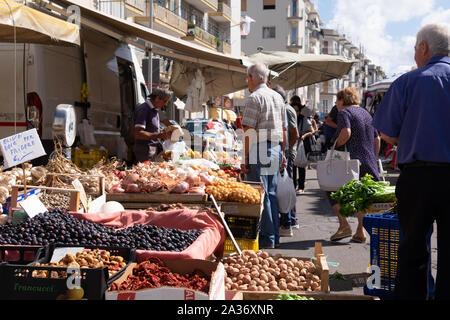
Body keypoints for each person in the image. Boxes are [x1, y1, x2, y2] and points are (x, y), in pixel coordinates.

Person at [373, 24, 450, 300]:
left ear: (423, 48)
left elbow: (388, 135)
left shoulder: (409, 81)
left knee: (413, 250)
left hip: (418, 178)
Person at [241, 63, 287, 249]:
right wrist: (282, 152)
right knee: (271, 194)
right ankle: (274, 236)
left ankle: (267, 238)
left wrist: (245, 158)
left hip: (259, 148)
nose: (247, 81)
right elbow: (283, 129)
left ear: (252, 78)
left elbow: (248, 130)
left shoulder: (254, 98)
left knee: (262, 195)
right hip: (275, 148)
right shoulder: (277, 97)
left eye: (247, 78)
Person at [328, 87, 381, 243]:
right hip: (368, 160)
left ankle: (344, 225)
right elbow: (377, 139)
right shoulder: (366, 113)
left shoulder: (345, 112)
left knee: (331, 189)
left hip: (350, 160)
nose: (336, 104)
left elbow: (346, 132)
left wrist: (335, 145)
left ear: (343, 100)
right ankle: (360, 230)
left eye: (337, 100)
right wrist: (373, 156)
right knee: (363, 196)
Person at [271, 85, 300, 237]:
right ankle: (287, 222)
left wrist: (286, 151)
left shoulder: (284, 109)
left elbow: (294, 133)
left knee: (282, 189)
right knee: (282, 188)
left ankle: (287, 222)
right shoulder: (284, 109)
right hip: (283, 152)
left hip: (283, 153)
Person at [133, 87, 172, 163]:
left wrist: (160, 131)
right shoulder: (144, 109)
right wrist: (159, 135)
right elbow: (138, 133)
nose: (166, 104)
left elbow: (151, 128)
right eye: (165, 101)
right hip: (145, 149)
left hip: (152, 148)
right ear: (157, 98)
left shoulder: (154, 110)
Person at [290, 96, 314, 194]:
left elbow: (312, 131)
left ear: (300, 111)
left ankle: (301, 187)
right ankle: (293, 186)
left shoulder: (303, 119)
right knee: (293, 167)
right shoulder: (290, 119)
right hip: (292, 145)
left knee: (301, 166)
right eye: (294, 110)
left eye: (297, 111)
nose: (295, 112)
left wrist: (304, 135)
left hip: (301, 145)